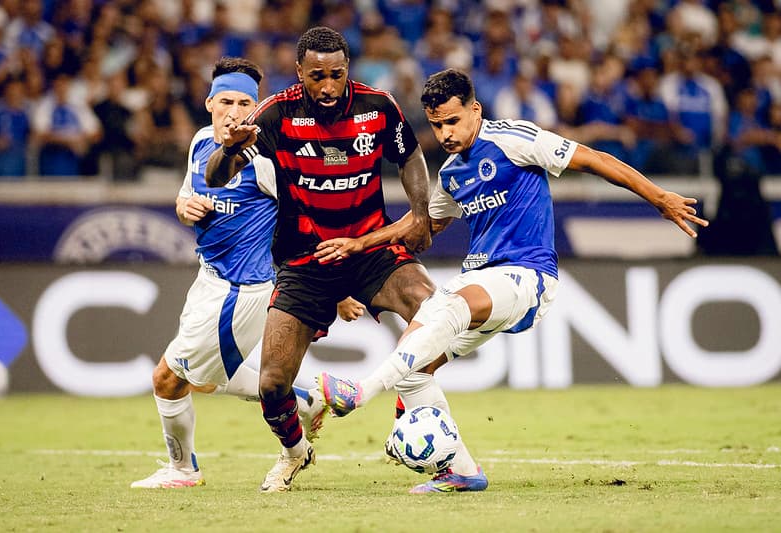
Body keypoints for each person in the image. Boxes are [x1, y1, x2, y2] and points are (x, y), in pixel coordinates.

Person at [316, 68, 709, 492]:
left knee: (444, 304)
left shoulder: (514, 139)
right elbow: (420, 227)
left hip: (527, 275)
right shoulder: (450, 174)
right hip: (487, 281)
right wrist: (359, 244)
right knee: (414, 367)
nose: (445, 133)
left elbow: (595, 160)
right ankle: (462, 472)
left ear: (475, 109)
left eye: (453, 121)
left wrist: (659, 197)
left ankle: (360, 391)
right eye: (437, 125)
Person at [205, 27, 482, 493]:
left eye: (337, 74)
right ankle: (294, 452)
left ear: (347, 69)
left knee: (435, 313)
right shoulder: (274, 115)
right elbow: (216, 178)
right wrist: (231, 147)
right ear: (300, 72)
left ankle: (409, 416)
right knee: (272, 383)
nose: (329, 86)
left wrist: (419, 213)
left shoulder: (378, 106)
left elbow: (410, 156)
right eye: (318, 76)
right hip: (305, 261)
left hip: (371, 249)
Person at [131, 57, 347, 489]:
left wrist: (336, 285)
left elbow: (307, 218)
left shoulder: (264, 159)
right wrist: (184, 207)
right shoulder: (199, 142)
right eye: (226, 101)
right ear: (209, 103)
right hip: (207, 279)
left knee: (168, 380)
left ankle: (183, 470)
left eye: (245, 103)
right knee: (205, 380)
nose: (234, 112)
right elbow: (186, 197)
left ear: (256, 108)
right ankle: (307, 399)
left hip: (241, 291)